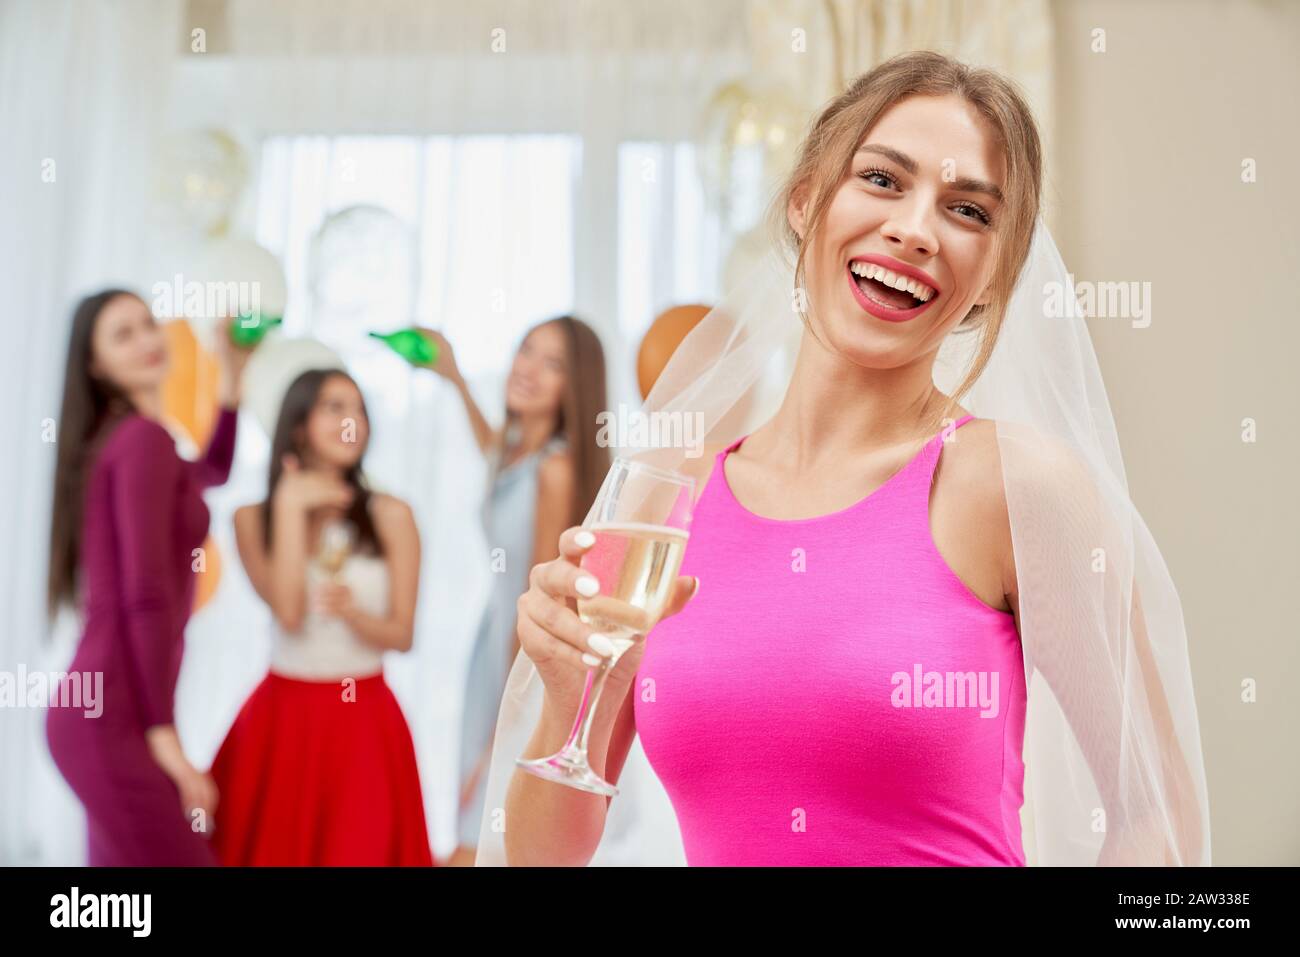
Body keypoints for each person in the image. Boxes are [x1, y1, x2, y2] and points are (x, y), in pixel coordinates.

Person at [478, 51, 1211, 866]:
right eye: (883, 180)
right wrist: (563, 689)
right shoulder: (670, 502)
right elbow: (545, 857)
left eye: (968, 210)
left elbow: (1157, 816)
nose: (916, 229)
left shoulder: (1015, 485)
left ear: (996, 276)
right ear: (804, 202)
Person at [45, 292, 250, 865]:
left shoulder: (138, 439)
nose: (145, 340)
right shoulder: (141, 441)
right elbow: (146, 596)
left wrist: (232, 375)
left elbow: (211, 472)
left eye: (147, 324)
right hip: (113, 721)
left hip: (101, 716)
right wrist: (166, 741)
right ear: (96, 365)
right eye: (122, 334)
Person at [209, 369, 433, 866]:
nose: (351, 421)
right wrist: (289, 504)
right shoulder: (251, 518)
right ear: (297, 424)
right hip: (281, 715)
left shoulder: (393, 515)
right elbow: (289, 613)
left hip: (364, 720)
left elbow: (402, 634)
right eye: (334, 407)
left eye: (358, 409)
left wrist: (352, 613)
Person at [414, 317, 609, 865]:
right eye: (527, 351)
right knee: (474, 820)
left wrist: (511, 702)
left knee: (481, 827)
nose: (528, 369)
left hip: (518, 657)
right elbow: (492, 452)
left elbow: (541, 603)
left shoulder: (556, 469)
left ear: (575, 387)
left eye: (553, 365)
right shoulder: (519, 452)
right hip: (491, 647)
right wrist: (453, 375)